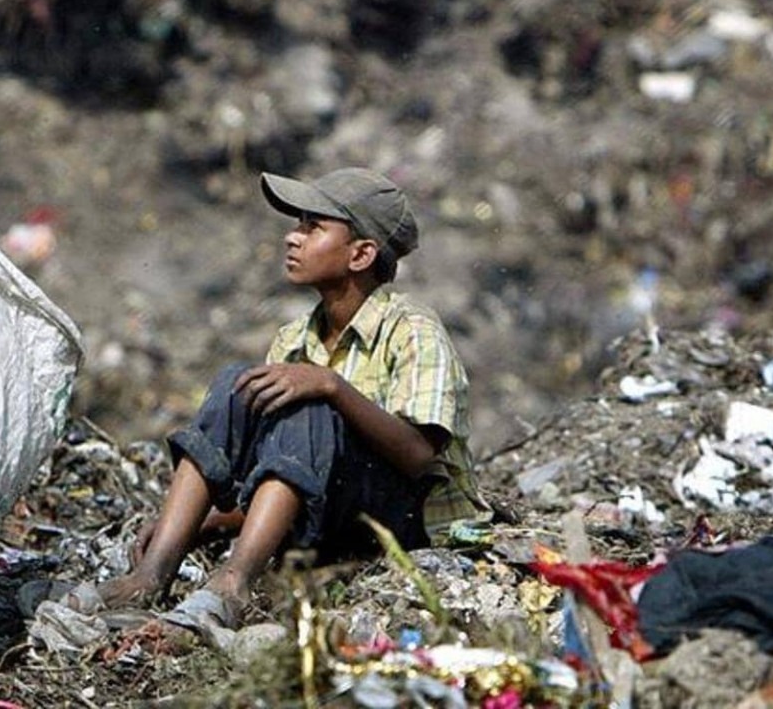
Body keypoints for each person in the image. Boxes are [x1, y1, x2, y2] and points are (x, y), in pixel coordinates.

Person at [83, 168, 484, 629]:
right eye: (298, 226)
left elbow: (417, 457)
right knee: (239, 382)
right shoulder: (293, 340)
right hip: (325, 520)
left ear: (361, 254)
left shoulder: (412, 329)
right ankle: (152, 574)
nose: (293, 239)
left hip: (400, 524)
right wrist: (204, 524)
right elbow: (285, 473)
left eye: (312, 228)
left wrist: (331, 387)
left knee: (310, 409)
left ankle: (234, 584)